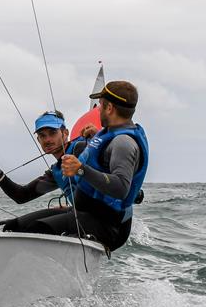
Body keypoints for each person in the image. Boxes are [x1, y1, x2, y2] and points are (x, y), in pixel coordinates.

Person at [57, 80, 149, 251]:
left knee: (26, 228)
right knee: (17, 224)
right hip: (87, 214)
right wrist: (96, 138)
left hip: (106, 224)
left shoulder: (124, 142)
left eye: (100, 105)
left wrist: (80, 169)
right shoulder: (108, 134)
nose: (97, 109)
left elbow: (121, 188)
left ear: (109, 108)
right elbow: (105, 160)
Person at [0, 110, 96, 232]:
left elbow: (105, 161)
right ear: (38, 140)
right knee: (12, 227)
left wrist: (98, 139)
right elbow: (22, 195)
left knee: (38, 228)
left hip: (99, 218)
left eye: (52, 133)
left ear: (65, 133)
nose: (47, 139)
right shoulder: (56, 171)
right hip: (77, 213)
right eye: (42, 135)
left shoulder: (81, 148)